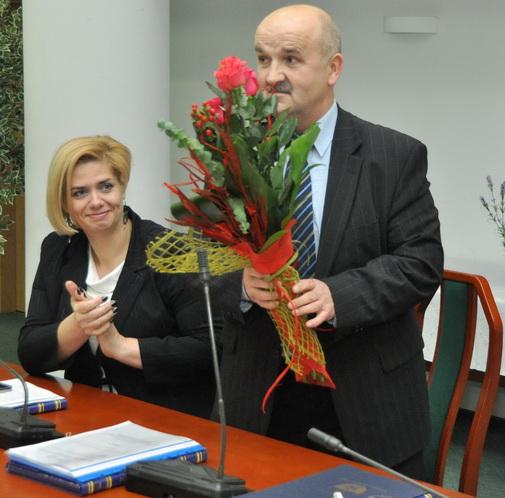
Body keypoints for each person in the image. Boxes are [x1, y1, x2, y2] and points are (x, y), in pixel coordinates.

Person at [218, 4, 443, 479]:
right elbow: (203, 261)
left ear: (333, 67)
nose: (272, 76)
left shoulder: (392, 156)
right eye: (263, 59)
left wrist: (339, 295)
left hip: (366, 402)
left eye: (291, 59)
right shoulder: (236, 153)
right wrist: (240, 284)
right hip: (261, 400)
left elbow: (420, 263)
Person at [18, 136, 217, 418]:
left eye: (106, 187)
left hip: (165, 418)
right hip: (86, 414)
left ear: (122, 186)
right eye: (79, 193)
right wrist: (79, 325)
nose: (96, 201)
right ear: (64, 202)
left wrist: (121, 347)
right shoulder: (59, 248)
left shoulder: (170, 250)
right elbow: (30, 353)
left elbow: (210, 349)